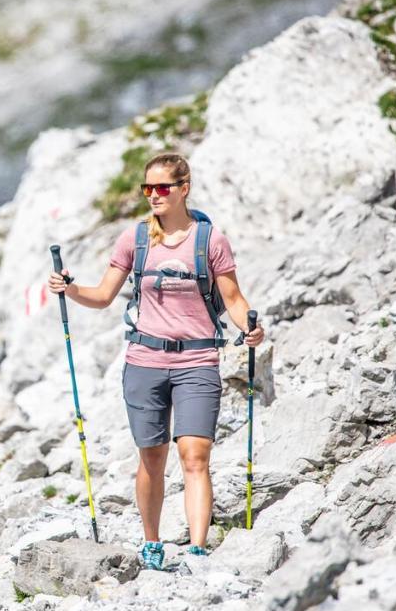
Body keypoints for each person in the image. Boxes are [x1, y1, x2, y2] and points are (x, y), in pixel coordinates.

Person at [48, 152, 265, 570]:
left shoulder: (209, 241)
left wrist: (253, 329)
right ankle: (153, 542)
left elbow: (235, 300)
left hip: (199, 360)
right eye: (147, 188)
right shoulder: (135, 240)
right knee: (152, 456)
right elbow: (102, 296)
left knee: (195, 456)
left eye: (162, 187)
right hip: (144, 361)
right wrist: (70, 288)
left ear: (184, 189)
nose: (153, 195)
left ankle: (198, 549)